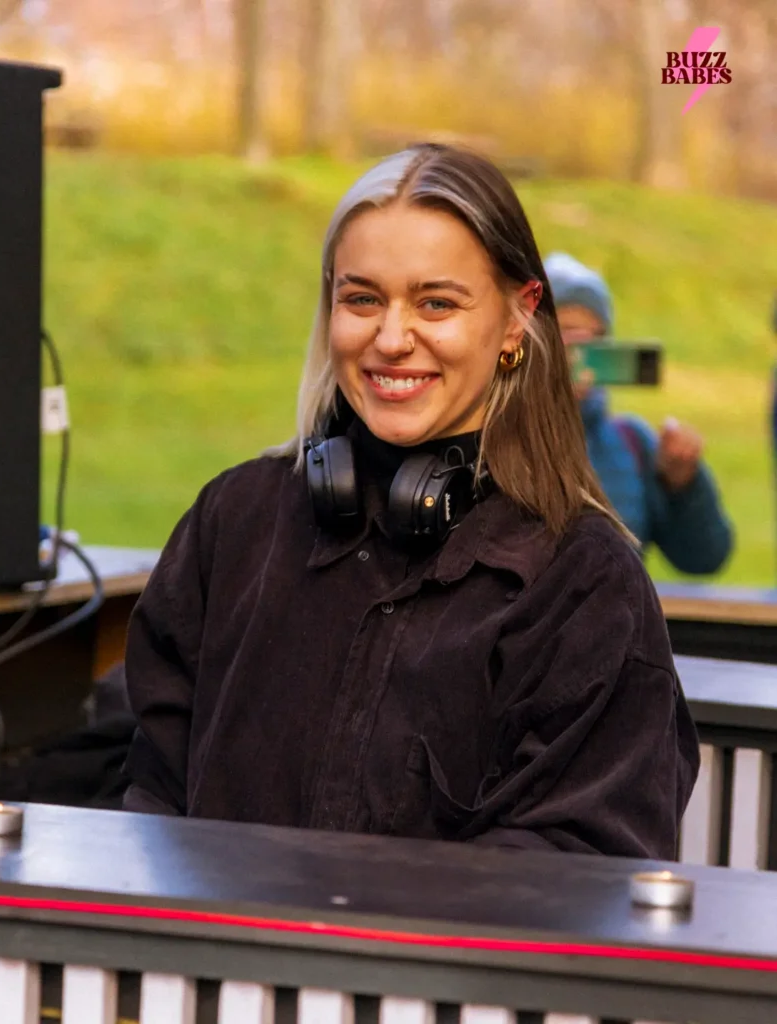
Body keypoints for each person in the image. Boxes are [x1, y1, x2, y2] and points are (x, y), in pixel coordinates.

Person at [122, 144, 698, 859]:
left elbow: (579, 870)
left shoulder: (585, 583)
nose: (391, 340)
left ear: (517, 319)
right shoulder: (231, 524)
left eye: (436, 303)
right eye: (362, 298)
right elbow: (150, 793)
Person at [544, 252, 733, 575]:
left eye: (597, 338)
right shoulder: (495, 439)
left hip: (618, 608)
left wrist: (683, 484)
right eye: (570, 334)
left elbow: (705, 558)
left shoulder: (632, 441)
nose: (584, 351)